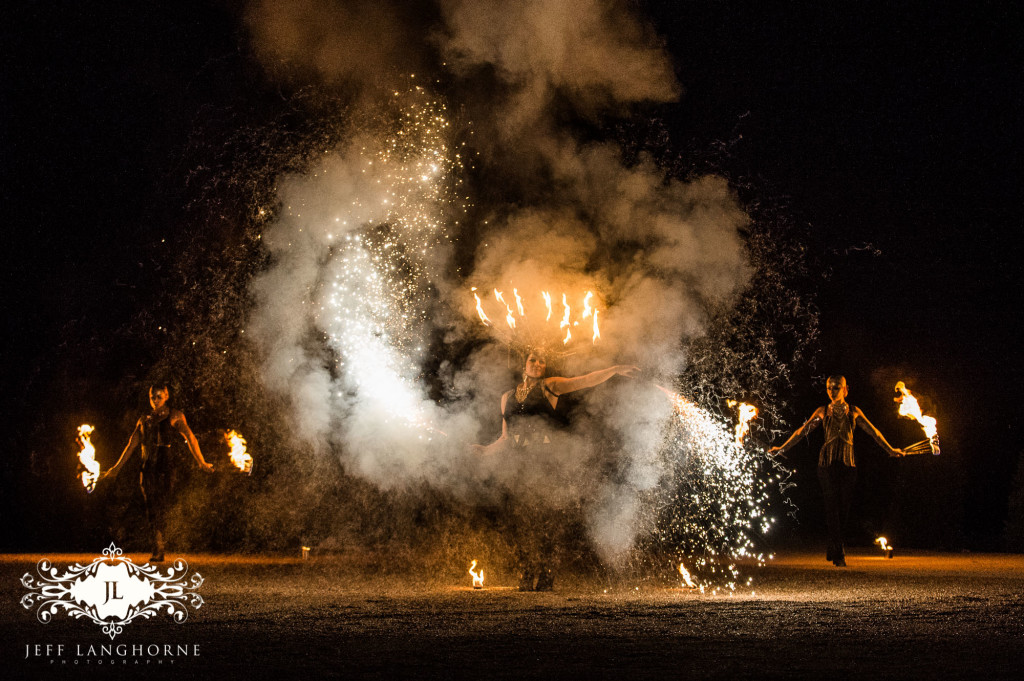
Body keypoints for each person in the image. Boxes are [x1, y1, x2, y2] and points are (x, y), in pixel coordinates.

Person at [474, 352, 638, 590]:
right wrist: (485, 450)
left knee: (546, 519)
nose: (538, 364)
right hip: (520, 463)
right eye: (533, 360)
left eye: (542, 361)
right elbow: (505, 437)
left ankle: (547, 575)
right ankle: (527, 573)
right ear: (524, 364)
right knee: (523, 519)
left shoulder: (550, 387)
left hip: (545, 461)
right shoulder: (506, 397)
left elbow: (584, 380)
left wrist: (613, 369)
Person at [770, 375, 904, 566]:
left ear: (845, 389)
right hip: (827, 464)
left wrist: (890, 449)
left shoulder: (854, 412)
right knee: (832, 506)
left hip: (848, 464)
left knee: (844, 509)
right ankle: (839, 552)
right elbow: (802, 431)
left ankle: (833, 545)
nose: (832, 391)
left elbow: (874, 432)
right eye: (829, 388)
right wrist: (782, 448)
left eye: (836, 387)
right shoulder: (823, 411)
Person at [101, 384, 215, 561]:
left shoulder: (175, 415)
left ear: (167, 396)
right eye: (152, 397)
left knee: (162, 505)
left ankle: (164, 542)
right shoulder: (144, 419)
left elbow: (190, 438)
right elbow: (131, 445)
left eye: (159, 397)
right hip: (147, 467)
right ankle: (158, 547)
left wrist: (201, 462)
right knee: (151, 506)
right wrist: (115, 469)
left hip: (165, 467)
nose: (155, 400)